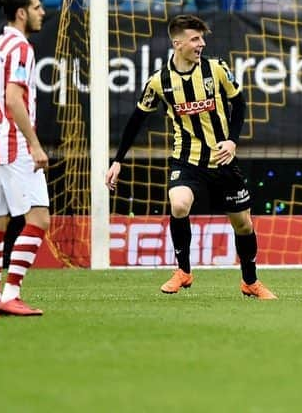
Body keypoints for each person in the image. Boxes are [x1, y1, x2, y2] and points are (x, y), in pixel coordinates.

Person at [105, 15, 277, 300]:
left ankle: (250, 281)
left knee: (243, 224)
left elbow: (239, 103)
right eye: (195, 39)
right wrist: (117, 160)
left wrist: (232, 141)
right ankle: (183, 271)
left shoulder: (216, 69)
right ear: (178, 43)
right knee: (179, 203)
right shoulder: (159, 82)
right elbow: (136, 121)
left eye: (202, 38)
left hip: (223, 161)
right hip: (186, 160)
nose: (202, 44)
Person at [0, 0, 49, 317]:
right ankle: (12, 292)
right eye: (37, 7)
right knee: (39, 218)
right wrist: (34, 144)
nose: (42, 12)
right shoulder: (21, 47)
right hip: (13, 142)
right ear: (21, 13)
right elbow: (12, 98)